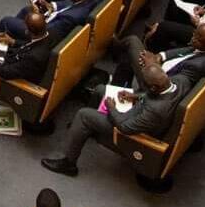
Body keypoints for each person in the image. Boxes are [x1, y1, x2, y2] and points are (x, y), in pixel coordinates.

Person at [39, 59, 183, 176]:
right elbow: (154, 94)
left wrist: (111, 107)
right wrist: (136, 96)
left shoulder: (156, 110)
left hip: (133, 132)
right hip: (140, 112)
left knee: (83, 115)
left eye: (145, 85)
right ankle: (84, 130)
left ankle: (69, 163)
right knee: (100, 90)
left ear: (153, 87)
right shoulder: (178, 82)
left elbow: (124, 127)